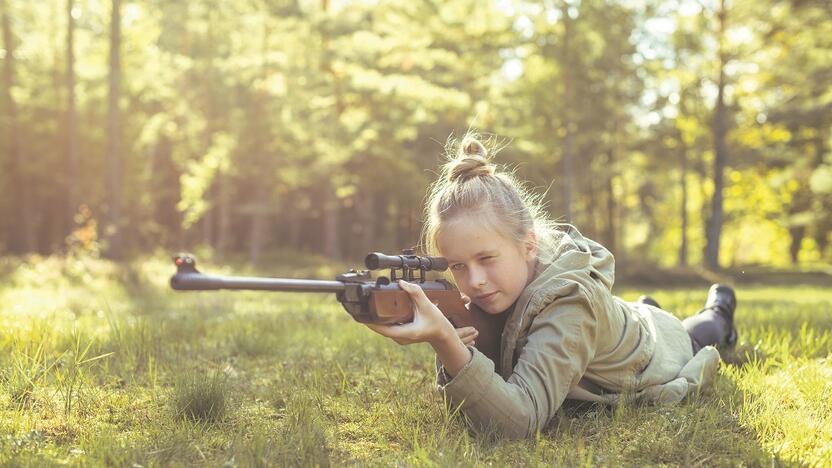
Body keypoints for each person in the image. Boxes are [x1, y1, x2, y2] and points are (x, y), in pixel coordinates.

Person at [365, 133, 738, 440]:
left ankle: (718, 308)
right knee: (634, 314)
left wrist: (445, 341)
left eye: (487, 259)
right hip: (609, 326)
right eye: (459, 266)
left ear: (528, 244)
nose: (475, 280)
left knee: (694, 333)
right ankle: (645, 307)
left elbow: (518, 423)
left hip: (655, 346)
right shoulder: (509, 286)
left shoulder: (570, 305)